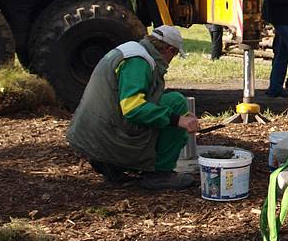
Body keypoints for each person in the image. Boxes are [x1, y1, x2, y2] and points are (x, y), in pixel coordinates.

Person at [66, 26, 200, 191]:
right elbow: (132, 108)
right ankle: (160, 174)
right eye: (174, 55)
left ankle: (112, 165)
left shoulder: (132, 50)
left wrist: (181, 117)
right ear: (169, 50)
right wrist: (178, 119)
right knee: (177, 102)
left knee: (174, 107)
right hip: (107, 136)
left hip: (94, 133)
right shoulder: (138, 61)